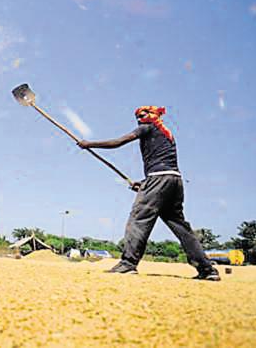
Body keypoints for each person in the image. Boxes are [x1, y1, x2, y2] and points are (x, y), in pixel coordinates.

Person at [77, 105, 220, 281]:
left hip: (158, 180)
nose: (139, 119)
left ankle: (128, 264)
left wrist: (88, 144)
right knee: (180, 226)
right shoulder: (166, 134)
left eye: (143, 115)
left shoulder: (148, 127)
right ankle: (207, 269)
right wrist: (145, 184)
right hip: (174, 182)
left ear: (153, 115)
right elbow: (164, 165)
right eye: (137, 116)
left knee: (139, 218)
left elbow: (119, 141)